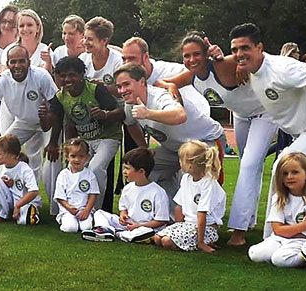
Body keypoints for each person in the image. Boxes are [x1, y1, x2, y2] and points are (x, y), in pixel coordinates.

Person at [154, 32, 279, 246]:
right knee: (250, 165)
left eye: (196, 54)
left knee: (249, 165)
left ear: (206, 55)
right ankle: (248, 220)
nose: (191, 60)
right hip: (241, 115)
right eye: (186, 56)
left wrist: (240, 64)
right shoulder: (191, 75)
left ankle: (238, 232)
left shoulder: (223, 64)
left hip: (264, 113)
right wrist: (172, 86)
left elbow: (259, 58)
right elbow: (160, 82)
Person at [222, 23, 306, 238]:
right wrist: (241, 64)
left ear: (259, 48)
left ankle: (272, 237)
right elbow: (223, 64)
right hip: (303, 132)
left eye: (245, 48)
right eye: (234, 50)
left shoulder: (283, 68)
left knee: (283, 165)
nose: (239, 55)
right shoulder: (250, 68)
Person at [115, 63, 224, 212]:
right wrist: (144, 149)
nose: (122, 90)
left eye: (126, 84)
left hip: (204, 142)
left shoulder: (160, 96)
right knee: (143, 169)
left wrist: (148, 113)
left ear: (141, 81)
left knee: (191, 181)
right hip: (173, 149)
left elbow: (180, 115)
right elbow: (131, 124)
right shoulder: (130, 103)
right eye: (119, 86)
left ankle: (199, 222)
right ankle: (159, 215)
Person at [45, 56, 132, 211]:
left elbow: (120, 113)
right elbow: (57, 120)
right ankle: (74, 207)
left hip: (108, 137)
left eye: (71, 75)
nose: (67, 79)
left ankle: (96, 212)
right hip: (85, 141)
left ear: (81, 75)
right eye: (63, 76)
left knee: (96, 169)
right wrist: (53, 142)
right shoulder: (60, 97)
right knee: (76, 169)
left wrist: (104, 115)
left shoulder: (96, 89)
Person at [0, 45, 58, 179]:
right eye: (13, 62)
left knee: (53, 159)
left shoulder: (41, 76)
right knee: (2, 150)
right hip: (24, 122)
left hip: (48, 122)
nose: (18, 65)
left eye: (22, 61)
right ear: (8, 64)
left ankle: (52, 200)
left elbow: (57, 105)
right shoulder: (1, 81)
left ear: (29, 62)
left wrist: (53, 142)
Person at [248, 152, 306, 267]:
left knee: (279, 260)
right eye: (285, 174)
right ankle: (284, 251)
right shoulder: (279, 198)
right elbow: (277, 229)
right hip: (280, 238)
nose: (289, 177)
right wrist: (302, 226)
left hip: (305, 242)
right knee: (255, 254)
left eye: (295, 172)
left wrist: (288, 230)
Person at [154, 140, 226, 253]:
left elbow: (202, 214)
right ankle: (187, 241)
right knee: (158, 238)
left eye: (181, 160)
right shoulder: (186, 178)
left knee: (167, 242)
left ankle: (204, 241)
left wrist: (200, 242)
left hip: (206, 227)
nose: (179, 162)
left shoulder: (208, 183)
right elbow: (179, 206)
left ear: (191, 165)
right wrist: (178, 227)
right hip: (188, 225)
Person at [85, 148, 169, 243]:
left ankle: (119, 234)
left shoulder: (158, 192)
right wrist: (123, 215)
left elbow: (161, 221)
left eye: (127, 168)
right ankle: (104, 230)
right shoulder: (128, 188)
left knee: (147, 232)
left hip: (145, 227)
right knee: (99, 213)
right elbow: (123, 208)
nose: (124, 171)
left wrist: (139, 226)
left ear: (141, 171)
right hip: (129, 225)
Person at [0, 134, 41, 225]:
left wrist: (18, 206)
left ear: (13, 155)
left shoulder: (24, 169)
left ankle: (31, 210)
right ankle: (2, 213)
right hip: (9, 200)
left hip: (23, 202)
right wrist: (3, 183)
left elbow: (34, 191)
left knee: (25, 221)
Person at [53, 138, 98, 233]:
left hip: (84, 209)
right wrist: (69, 208)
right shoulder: (63, 175)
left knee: (86, 228)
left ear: (87, 157)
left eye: (81, 156)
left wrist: (87, 210)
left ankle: (85, 219)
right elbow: (60, 197)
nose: (77, 160)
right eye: (73, 156)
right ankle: (64, 221)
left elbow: (93, 194)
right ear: (66, 156)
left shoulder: (90, 175)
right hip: (68, 209)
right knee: (71, 228)